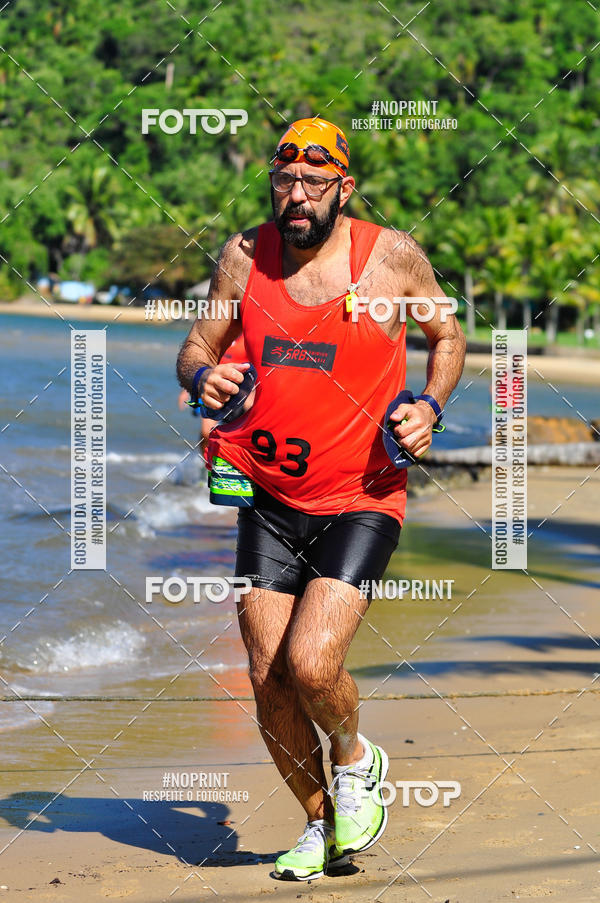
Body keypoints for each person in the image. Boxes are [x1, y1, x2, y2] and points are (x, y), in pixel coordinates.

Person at [177, 117, 466, 881]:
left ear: (344, 186)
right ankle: (318, 821)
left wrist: (430, 407)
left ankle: (354, 756)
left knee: (311, 661)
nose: (295, 196)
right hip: (267, 495)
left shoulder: (391, 257)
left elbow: (449, 334)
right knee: (266, 667)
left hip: (361, 494)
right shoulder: (245, 256)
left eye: (312, 183)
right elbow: (197, 345)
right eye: (283, 182)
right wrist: (198, 376)